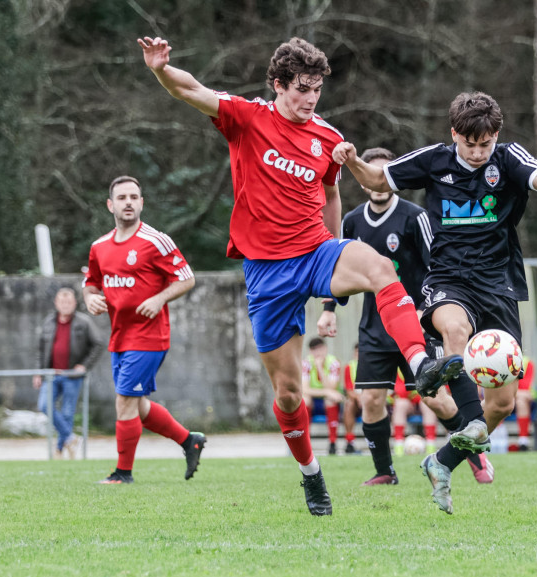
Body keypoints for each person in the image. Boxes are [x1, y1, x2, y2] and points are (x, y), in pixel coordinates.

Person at [139, 37, 463, 515]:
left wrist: (335, 249)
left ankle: (420, 366)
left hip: (314, 251)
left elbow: (332, 194)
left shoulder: (328, 138)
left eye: (317, 89)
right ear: (279, 84)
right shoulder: (247, 117)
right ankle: (312, 475)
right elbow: (193, 90)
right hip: (267, 274)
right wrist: (162, 70)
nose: (311, 98)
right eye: (302, 89)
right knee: (289, 394)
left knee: (377, 266)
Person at [333, 91, 537, 513]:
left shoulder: (507, 158)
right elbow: (377, 179)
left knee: (500, 404)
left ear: (495, 136)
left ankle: (443, 461)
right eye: (470, 144)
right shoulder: (434, 159)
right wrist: (351, 159)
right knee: (454, 330)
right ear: (455, 135)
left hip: (499, 285)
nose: (479, 152)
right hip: (448, 280)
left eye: (486, 144)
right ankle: (439, 372)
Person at [317, 146, 492, 486]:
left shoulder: (415, 218)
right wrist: (328, 311)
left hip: (414, 325)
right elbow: (337, 269)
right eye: (372, 175)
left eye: (385, 175)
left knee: (438, 400)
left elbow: (437, 266)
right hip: (373, 327)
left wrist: (429, 306)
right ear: (364, 181)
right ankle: (385, 471)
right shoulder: (352, 221)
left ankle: (473, 455)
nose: (378, 183)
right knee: (371, 399)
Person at [82, 175, 205, 484]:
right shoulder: (99, 247)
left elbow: (187, 278)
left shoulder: (155, 240)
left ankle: (123, 473)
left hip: (149, 336)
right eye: (121, 197)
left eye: (134, 197)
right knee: (137, 404)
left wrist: (159, 298)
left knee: (124, 402)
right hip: (119, 336)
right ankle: (189, 440)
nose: (128, 202)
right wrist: (89, 299)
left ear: (141, 203)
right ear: (110, 205)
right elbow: (91, 283)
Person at [34, 287, 104, 459]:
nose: (65, 305)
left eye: (69, 302)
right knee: (44, 405)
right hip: (51, 374)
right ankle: (71, 439)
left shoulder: (83, 322)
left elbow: (98, 344)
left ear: (74, 303)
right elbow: (41, 350)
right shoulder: (49, 322)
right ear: (56, 303)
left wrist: (84, 366)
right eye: (62, 302)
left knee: (67, 413)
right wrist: (38, 372)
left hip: (72, 375)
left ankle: (59, 450)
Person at [301, 337, 344, 455]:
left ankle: (332, 442)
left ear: (325, 349)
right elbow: (305, 390)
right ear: (310, 351)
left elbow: (332, 389)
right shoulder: (306, 363)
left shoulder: (333, 363)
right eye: (314, 350)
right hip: (314, 400)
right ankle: (305, 442)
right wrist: (326, 392)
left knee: (330, 400)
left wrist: (320, 368)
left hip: (329, 401)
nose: (317, 353)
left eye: (320, 349)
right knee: (305, 400)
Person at [341, 343, 361, 455]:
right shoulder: (350, 366)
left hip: (370, 399)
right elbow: (349, 390)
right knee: (349, 404)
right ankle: (350, 442)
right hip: (356, 401)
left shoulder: (372, 366)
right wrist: (359, 398)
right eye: (357, 352)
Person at [513, 356, 535, 451]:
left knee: (521, 401)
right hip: (504, 397)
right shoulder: (498, 360)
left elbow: (525, 386)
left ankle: (523, 440)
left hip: (518, 397)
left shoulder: (527, 363)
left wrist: (511, 393)